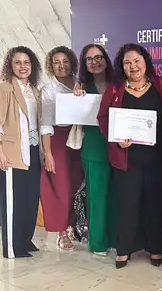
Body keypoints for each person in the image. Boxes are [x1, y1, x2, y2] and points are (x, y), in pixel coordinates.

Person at [98, 44, 162, 269]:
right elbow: (103, 118)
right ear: (122, 66)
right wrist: (116, 138)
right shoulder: (114, 90)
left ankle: (156, 248)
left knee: (156, 203)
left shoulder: (160, 85)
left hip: (158, 158)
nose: (133, 66)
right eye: (127, 63)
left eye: (137, 61)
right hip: (126, 159)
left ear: (145, 62)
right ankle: (124, 249)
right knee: (127, 204)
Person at [0, 47, 42, 259]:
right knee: (13, 201)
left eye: (26, 62)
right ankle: (12, 247)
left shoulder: (33, 90)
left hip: (32, 149)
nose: (22, 66)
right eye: (17, 62)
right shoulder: (5, 88)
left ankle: (25, 239)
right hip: (12, 152)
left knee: (30, 197)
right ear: (11, 65)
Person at [40, 46, 83, 250]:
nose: (61, 66)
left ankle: (73, 225)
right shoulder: (49, 90)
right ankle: (61, 231)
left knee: (76, 183)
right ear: (51, 66)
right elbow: (45, 124)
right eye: (56, 62)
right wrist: (48, 153)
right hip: (57, 139)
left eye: (65, 61)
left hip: (79, 136)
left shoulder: (80, 84)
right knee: (61, 186)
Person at [76, 44, 116, 256]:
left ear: (106, 59)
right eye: (89, 59)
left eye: (99, 57)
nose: (95, 62)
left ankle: (115, 238)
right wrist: (76, 96)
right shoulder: (81, 88)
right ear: (84, 63)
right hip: (93, 147)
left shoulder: (119, 84)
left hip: (119, 147)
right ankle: (98, 242)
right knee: (97, 196)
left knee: (117, 195)